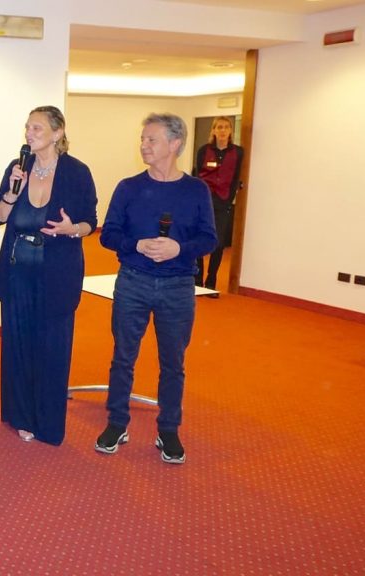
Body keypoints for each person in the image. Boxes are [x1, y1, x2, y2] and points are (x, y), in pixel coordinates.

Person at [96, 113, 216, 464]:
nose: (144, 145)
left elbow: (209, 238)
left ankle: (169, 429)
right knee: (123, 357)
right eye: (143, 139)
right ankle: (117, 423)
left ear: (175, 144)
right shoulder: (128, 187)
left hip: (178, 286)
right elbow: (108, 234)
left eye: (152, 139)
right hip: (132, 281)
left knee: (173, 362)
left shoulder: (196, 190)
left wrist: (180, 248)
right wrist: (136, 244)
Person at [0, 106, 98, 445]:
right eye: (27, 127)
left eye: (37, 127)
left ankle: (48, 422)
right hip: (17, 271)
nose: (29, 132)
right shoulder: (17, 167)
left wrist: (72, 229)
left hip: (57, 273)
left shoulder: (76, 172)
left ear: (57, 132)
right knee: (19, 345)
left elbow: (90, 221)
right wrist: (11, 192)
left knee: (52, 348)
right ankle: (20, 415)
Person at [193, 116, 244, 296]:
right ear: (213, 130)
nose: (222, 131)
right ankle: (197, 280)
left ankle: (211, 282)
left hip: (223, 202)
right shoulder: (204, 150)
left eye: (226, 127)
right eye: (219, 127)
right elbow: (197, 175)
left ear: (230, 131)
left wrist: (231, 196)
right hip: (203, 201)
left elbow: (237, 176)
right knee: (199, 238)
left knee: (218, 242)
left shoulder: (238, 153)